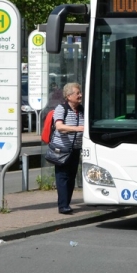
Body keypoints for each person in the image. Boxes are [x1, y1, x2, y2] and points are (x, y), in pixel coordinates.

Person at [50, 83, 85, 214]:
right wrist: (78, 129)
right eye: (77, 93)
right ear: (69, 96)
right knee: (62, 177)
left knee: (71, 177)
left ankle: (67, 203)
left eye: (80, 93)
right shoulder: (61, 108)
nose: (80, 95)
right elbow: (59, 126)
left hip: (75, 149)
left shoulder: (81, 110)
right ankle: (63, 206)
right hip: (62, 149)